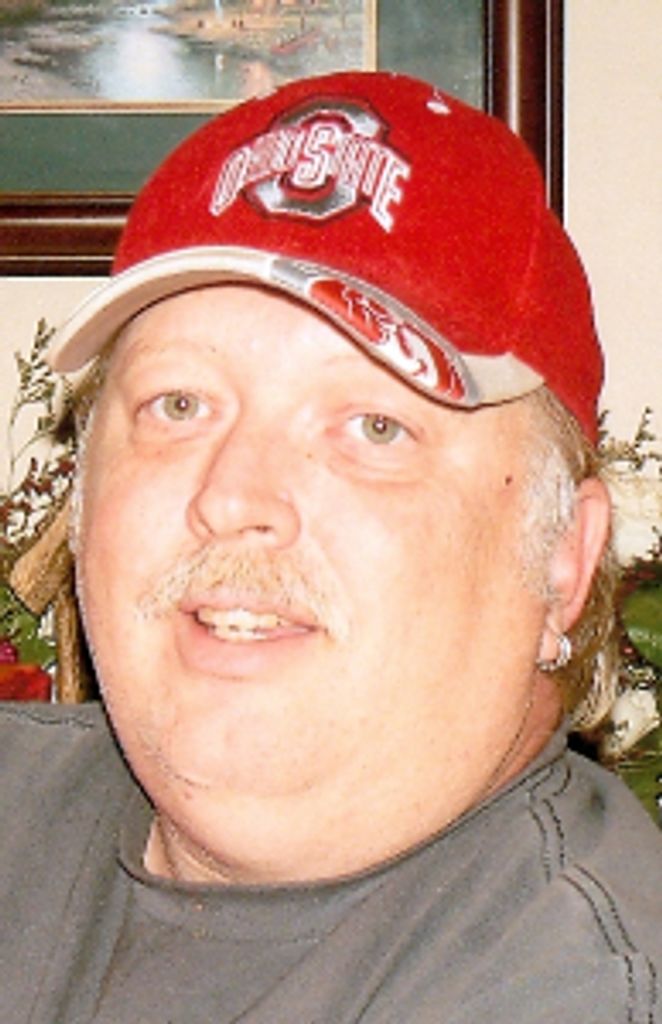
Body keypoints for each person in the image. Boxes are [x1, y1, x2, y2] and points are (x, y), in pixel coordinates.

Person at [1, 71, 660, 1023]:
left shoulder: (565, 986)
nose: (234, 496)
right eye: (179, 404)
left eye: (374, 428)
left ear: (562, 559)